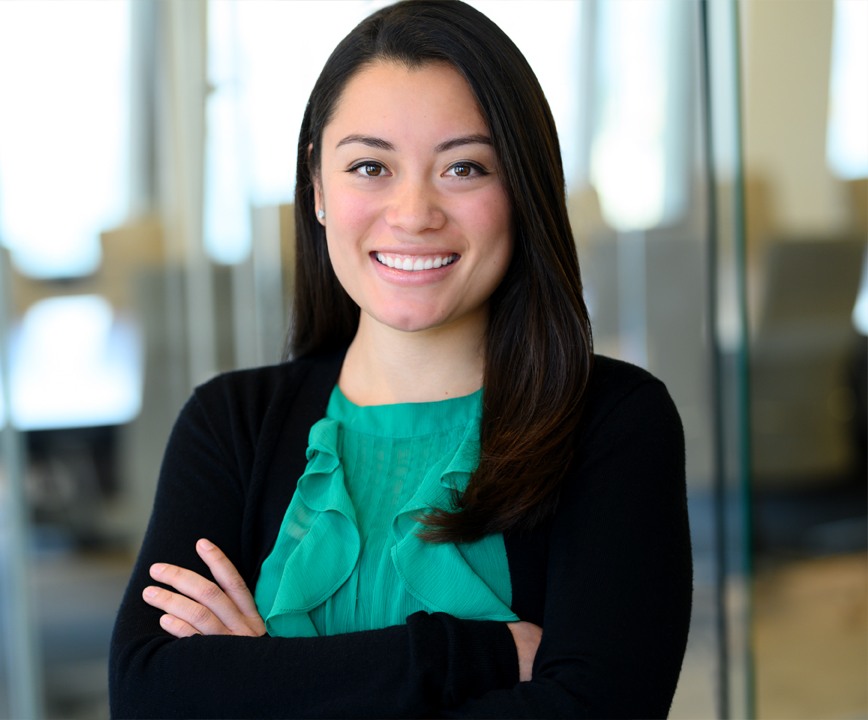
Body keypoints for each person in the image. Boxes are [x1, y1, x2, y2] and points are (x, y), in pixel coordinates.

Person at [109, 1, 692, 717]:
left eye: (464, 167)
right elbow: (149, 693)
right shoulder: (230, 424)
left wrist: (265, 676)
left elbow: (596, 709)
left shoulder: (614, 423)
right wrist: (479, 658)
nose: (414, 212)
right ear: (319, 191)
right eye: (369, 166)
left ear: (522, 194)